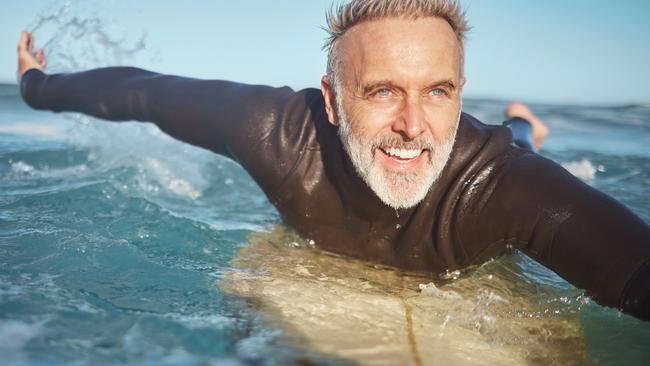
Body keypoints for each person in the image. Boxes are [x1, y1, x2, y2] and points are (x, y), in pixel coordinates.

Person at [17, 0, 649, 321]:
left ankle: (520, 120)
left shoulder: (501, 186)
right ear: (332, 99)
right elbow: (145, 93)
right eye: (381, 91)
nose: (411, 124)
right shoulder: (275, 135)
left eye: (438, 90)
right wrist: (36, 89)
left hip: (512, 155)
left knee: (520, 141)